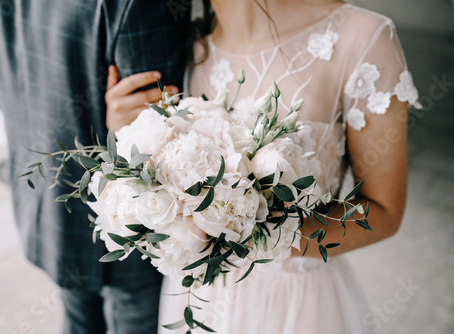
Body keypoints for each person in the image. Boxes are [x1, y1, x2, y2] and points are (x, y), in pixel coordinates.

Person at [105, 0, 421, 333]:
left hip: (297, 307)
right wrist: (130, 136)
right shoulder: (180, 43)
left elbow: (383, 210)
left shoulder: (361, 38)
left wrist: (252, 234)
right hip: (197, 302)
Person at [0, 1, 189, 333]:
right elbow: (161, 136)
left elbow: (2, 85)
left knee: (77, 320)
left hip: (48, 207)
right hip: (128, 230)